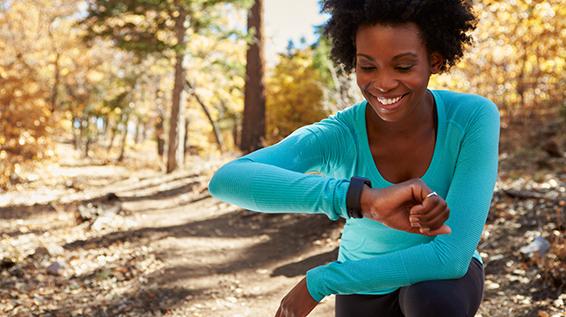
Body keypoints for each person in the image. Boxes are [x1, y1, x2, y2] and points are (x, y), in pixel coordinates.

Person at [208, 0, 500, 316]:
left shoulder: (472, 116)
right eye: (368, 66)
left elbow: (450, 256)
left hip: (442, 281)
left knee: (431, 300)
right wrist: (360, 200)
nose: (384, 83)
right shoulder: (339, 134)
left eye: (403, 66)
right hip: (362, 280)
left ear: (435, 61)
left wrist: (320, 282)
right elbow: (226, 179)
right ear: (353, 63)